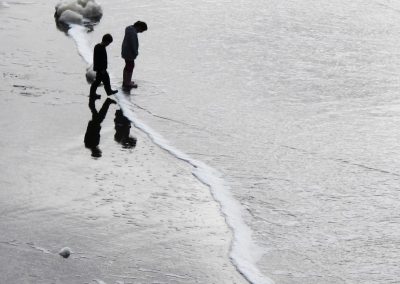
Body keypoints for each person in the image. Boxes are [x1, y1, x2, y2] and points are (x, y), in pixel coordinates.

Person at [90, 34, 118, 98]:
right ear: (106, 41)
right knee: (98, 81)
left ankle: (108, 91)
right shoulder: (100, 48)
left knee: (104, 80)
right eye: (108, 43)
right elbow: (99, 59)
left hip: (100, 68)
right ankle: (93, 94)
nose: (108, 44)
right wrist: (102, 69)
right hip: (100, 69)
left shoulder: (99, 46)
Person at [121, 21, 148, 89]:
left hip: (125, 51)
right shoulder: (133, 33)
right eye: (141, 30)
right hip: (129, 53)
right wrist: (136, 52)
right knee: (130, 67)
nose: (141, 32)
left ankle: (125, 81)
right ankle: (128, 82)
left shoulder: (129, 29)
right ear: (139, 27)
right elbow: (133, 44)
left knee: (127, 66)